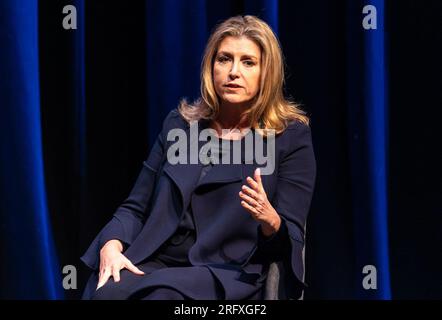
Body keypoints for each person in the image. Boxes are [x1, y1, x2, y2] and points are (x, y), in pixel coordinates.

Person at [81, 15, 316, 300]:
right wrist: (111, 245)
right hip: (159, 261)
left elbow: (291, 236)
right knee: (105, 289)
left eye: (248, 62)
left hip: (225, 273)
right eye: (224, 59)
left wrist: (271, 221)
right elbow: (135, 207)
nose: (233, 72)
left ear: (267, 72)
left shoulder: (289, 137)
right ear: (210, 66)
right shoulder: (179, 125)